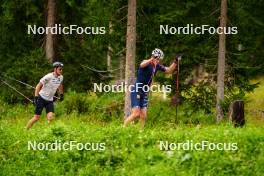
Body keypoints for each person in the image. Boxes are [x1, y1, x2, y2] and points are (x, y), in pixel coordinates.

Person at [124, 48, 181, 129]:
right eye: (157, 59)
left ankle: (140, 132)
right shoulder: (146, 62)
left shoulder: (157, 66)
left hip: (145, 92)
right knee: (136, 114)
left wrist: (175, 62)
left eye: (159, 59)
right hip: (137, 89)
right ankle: (123, 128)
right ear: (154, 57)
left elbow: (168, 70)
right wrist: (151, 59)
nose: (158, 61)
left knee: (143, 116)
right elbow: (142, 65)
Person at [26, 62, 64, 129]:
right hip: (41, 98)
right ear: (55, 69)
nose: (61, 71)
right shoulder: (48, 76)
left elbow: (60, 85)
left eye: (61, 69)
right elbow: (38, 86)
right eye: (60, 69)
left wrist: (61, 94)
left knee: (51, 118)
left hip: (49, 100)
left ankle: (47, 131)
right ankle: (26, 129)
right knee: (36, 118)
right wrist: (36, 97)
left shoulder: (61, 77)